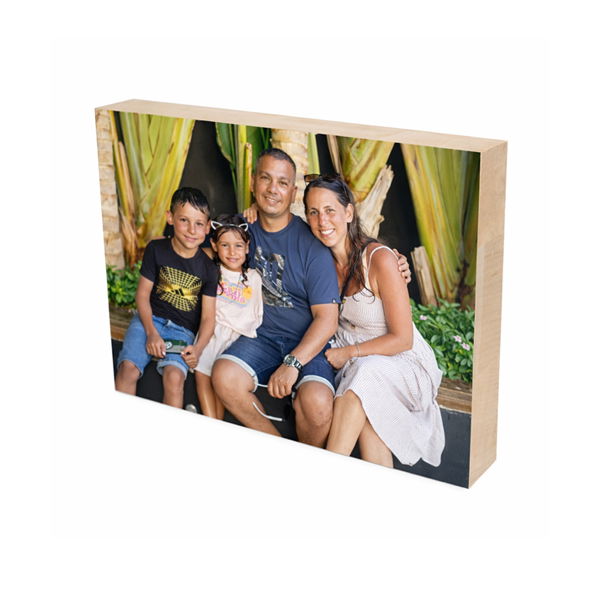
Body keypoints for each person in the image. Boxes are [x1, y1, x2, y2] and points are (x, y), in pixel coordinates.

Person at [303, 175, 445, 468]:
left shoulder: (379, 259)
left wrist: (349, 352)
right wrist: (251, 214)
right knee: (369, 416)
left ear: (349, 212)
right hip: (358, 367)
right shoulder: (320, 259)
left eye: (330, 210)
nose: (322, 221)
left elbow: (403, 339)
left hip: (402, 364)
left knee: (364, 380)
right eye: (313, 212)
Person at [211, 149, 341, 447]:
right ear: (253, 182)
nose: (273, 189)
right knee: (225, 376)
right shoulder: (241, 231)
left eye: (282, 183)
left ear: (293, 193)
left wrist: (293, 362)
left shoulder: (312, 244)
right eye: (266, 179)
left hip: (308, 342)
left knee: (318, 404)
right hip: (262, 337)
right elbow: (204, 252)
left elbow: (327, 319)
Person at [115, 187, 218, 409]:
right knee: (127, 370)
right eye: (184, 220)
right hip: (148, 321)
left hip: (182, 331)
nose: (192, 230)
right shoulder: (156, 249)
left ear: (207, 227)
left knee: (174, 378)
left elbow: (208, 319)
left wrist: (198, 349)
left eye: (199, 223)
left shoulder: (209, 269)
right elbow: (142, 295)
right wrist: (151, 332)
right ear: (170, 218)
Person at [191, 215, 263, 419]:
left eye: (238, 245)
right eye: (225, 245)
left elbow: (255, 314)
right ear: (214, 245)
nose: (232, 252)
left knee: (220, 383)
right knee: (202, 375)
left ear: (247, 247)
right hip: (212, 332)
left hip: (237, 339)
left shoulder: (254, 277)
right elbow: (192, 251)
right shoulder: (213, 271)